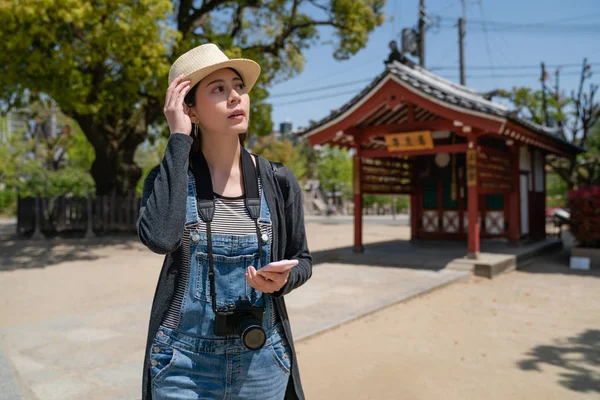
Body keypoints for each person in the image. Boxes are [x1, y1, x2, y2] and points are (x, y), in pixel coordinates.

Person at [137, 43, 313, 400]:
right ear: (190, 109)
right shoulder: (167, 178)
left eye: (239, 87)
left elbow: (304, 260)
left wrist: (282, 280)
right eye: (218, 89)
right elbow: (159, 238)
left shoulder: (277, 181)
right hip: (182, 363)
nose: (235, 97)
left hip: (262, 359)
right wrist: (177, 139)